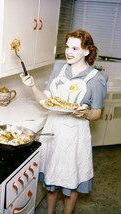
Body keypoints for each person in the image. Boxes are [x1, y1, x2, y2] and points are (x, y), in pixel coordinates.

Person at [20, 29, 108, 214]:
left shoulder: (96, 79)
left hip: (75, 135)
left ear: (87, 51)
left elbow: (97, 113)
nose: (69, 51)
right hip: (53, 130)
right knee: (52, 179)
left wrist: (84, 113)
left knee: (71, 182)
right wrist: (33, 86)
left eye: (75, 48)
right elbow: (46, 100)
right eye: (67, 46)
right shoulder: (58, 69)